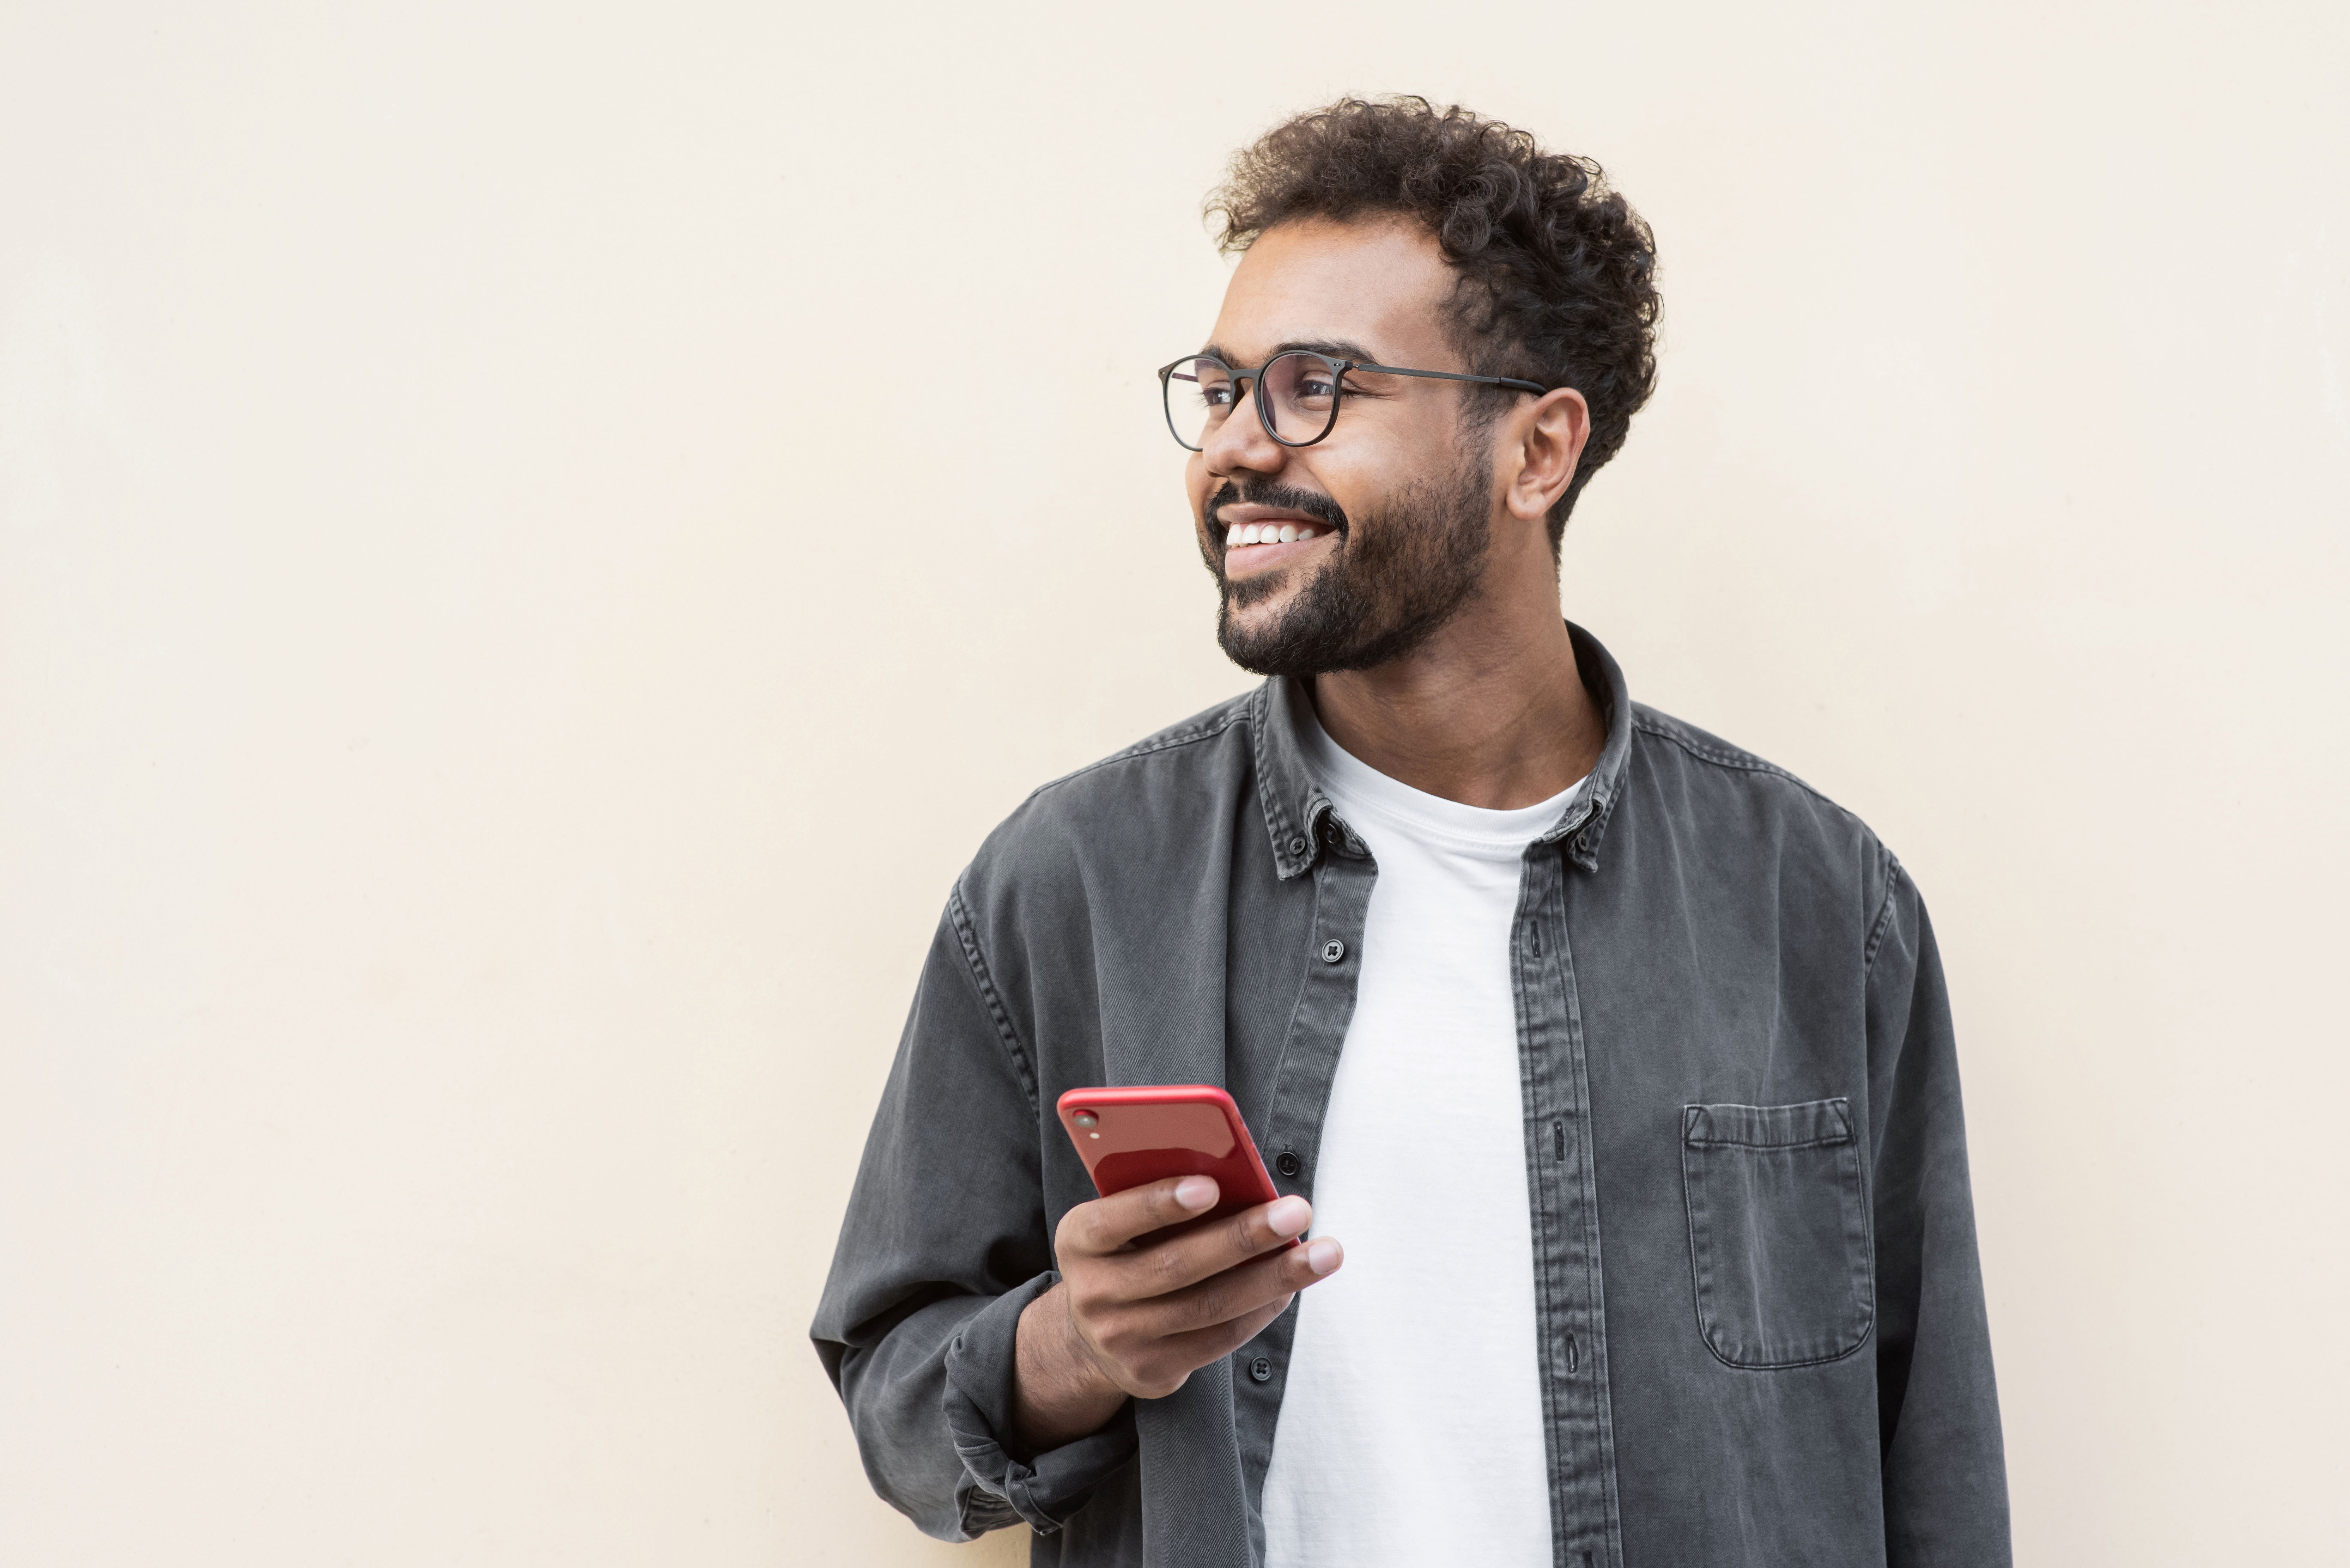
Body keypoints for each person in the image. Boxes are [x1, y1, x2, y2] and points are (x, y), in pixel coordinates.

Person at [812, 96, 2009, 1568]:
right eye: (1222, 386)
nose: (1238, 451)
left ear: (1536, 450)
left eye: (1318, 387)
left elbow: (1931, 1455)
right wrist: (1079, 1344)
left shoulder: (1819, 902)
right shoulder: (1072, 881)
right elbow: (896, 1405)